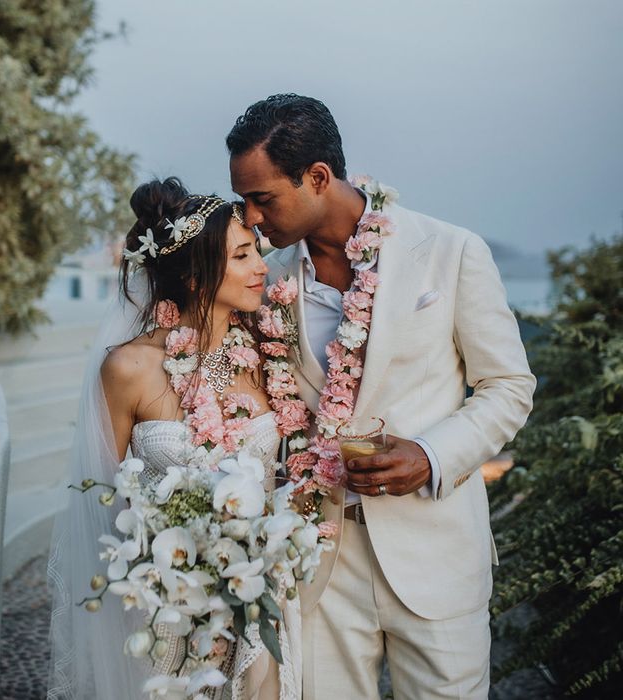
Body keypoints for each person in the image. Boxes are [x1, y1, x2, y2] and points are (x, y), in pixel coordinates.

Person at [226, 94, 536, 699]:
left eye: (263, 198)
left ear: (318, 178)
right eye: (245, 200)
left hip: (436, 555)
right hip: (319, 569)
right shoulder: (265, 281)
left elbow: (508, 387)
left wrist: (430, 453)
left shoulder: (450, 252)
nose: (252, 217)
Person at [46, 177, 302, 700]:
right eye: (243, 255)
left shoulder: (268, 354)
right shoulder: (129, 367)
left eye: (258, 253)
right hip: (166, 605)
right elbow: (101, 495)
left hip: (256, 599)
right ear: (192, 274)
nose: (261, 268)